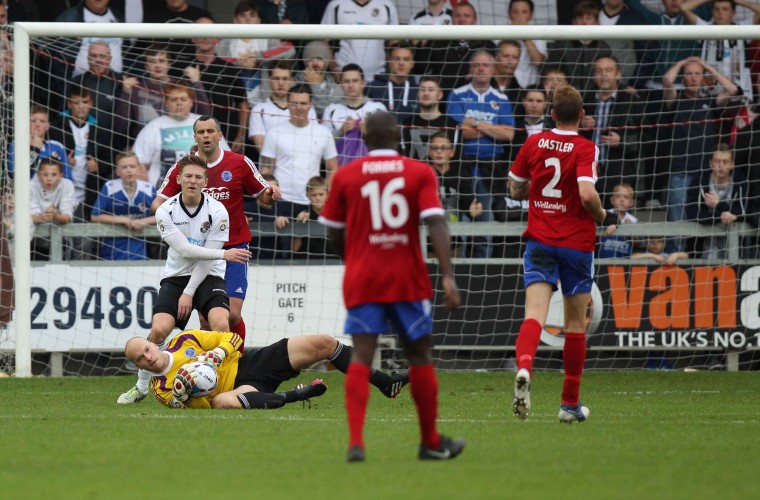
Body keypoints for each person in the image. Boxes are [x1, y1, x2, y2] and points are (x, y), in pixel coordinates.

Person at [319, 111, 465, 462]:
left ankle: (356, 443)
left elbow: (334, 232)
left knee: (362, 355)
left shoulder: (346, 175)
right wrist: (447, 274)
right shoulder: (419, 171)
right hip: (407, 278)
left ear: (365, 138)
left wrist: (352, 258)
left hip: (364, 277)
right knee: (418, 356)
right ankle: (430, 441)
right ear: (398, 137)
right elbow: (437, 223)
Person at [135, 116, 281, 386]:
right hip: (196, 251)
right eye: (200, 131)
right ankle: (208, 375)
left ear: (220, 134)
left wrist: (271, 194)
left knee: (232, 315)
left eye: (210, 131)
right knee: (204, 318)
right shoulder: (185, 168)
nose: (206, 135)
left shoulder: (239, 163)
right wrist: (178, 227)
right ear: (195, 138)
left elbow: (263, 197)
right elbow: (159, 204)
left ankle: (235, 366)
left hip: (233, 248)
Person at [507, 84, 612, 423]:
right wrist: (601, 215)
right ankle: (569, 405)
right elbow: (585, 193)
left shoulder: (534, 141)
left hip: (540, 240)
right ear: (582, 116)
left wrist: (532, 189)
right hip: (576, 245)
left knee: (534, 314)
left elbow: (514, 187)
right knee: (574, 324)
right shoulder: (586, 147)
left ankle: (524, 369)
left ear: (551, 113)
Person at [117, 154, 253, 404]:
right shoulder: (165, 211)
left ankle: (218, 385)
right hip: (176, 276)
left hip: (209, 274)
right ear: (178, 179)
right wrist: (225, 254)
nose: (192, 181)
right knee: (159, 330)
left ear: (206, 181)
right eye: (188, 176)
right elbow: (184, 250)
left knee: (221, 326)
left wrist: (190, 292)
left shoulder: (218, 210)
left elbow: (206, 259)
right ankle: (141, 386)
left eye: (198, 177)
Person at [125, 329, 409, 409]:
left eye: (147, 349)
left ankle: (386, 381)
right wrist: (187, 394)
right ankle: (296, 395)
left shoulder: (183, 340)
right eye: (140, 359)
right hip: (239, 391)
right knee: (222, 402)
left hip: (251, 364)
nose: (147, 358)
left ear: (154, 344)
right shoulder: (161, 390)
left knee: (323, 343)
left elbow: (231, 338)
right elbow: (201, 405)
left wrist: (217, 353)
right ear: (139, 366)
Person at [260, 84, 338, 224]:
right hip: (281, 201)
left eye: (303, 103)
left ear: (310, 105)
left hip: (312, 202)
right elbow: (266, 169)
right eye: (294, 103)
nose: (299, 107)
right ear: (288, 104)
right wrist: (268, 199)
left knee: (309, 245)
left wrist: (326, 195)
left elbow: (333, 168)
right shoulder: (274, 132)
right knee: (280, 245)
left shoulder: (323, 133)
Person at [132, 80, 230, 188]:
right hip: (163, 193)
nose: (179, 103)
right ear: (166, 103)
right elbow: (139, 162)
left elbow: (225, 157)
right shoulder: (153, 127)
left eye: (183, 99)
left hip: (204, 190)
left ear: (191, 102)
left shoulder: (206, 123)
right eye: (173, 99)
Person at [114, 43, 212, 141]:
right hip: (146, 144)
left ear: (168, 64)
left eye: (161, 61)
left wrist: (197, 83)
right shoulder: (136, 89)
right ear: (146, 66)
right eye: (152, 61)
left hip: (177, 141)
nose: (157, 65)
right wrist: (126, 94)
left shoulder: (181, 86)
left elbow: (204, 116)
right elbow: (120, 127)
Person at [681, 0, 760, 100]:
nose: (720, 12)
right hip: (710, 94)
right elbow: (684, 8)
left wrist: (739, 1)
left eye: (725, 9)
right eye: (717, 9)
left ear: (733, 13)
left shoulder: (743, 28)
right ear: (712, 12)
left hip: (738, 92)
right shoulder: (704, 28)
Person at [418, 2, 497, 94]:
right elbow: (419, 68)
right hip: (442, 101)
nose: (462, 19)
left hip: (476, 101)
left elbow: (498, 74)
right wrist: (421, 45)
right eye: (457, 16)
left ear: (474, 20)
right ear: (452, 19)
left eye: (466, 16)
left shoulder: (487, 46)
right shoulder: (438, 42)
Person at [90, 151, 156, 260]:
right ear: (117, 171)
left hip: (139, 254)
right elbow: (95, 216)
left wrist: (143, 222)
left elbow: (163, 215)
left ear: (139, 169)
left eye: (132, 166)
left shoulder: (148, 189)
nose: (129, 170)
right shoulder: (109, 187)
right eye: (124, 167)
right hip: (110, 253)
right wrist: (123, 220)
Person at [695, 144, 757, 259]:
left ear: (732, 164)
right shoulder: (700, 181)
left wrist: (719, 203)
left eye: (725, 161)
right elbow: (692, 213)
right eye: (717, 161)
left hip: (736, 246)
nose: (721, 166)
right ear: (710, 163)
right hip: (704, 247)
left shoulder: (740, 181)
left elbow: (744, 211)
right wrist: (720, 217)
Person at [322, 64, 387, 166]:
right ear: (340, 84)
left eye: (355, 81)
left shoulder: (378, 109)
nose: (351, 85)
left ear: (363, 83)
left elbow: (387, 143)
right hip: (342, 170)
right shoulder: (331, 109)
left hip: (372, 169)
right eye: (346, 81)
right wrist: (340, 132)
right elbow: (322, 144)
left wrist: (368, 134)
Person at [320, 0, 399, 83]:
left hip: (378, 76)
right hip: (346, 79)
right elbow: (323, 41)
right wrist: (334, 69)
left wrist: (391, 71)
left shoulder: (387, 5)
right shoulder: (336, 5)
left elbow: (394, 42)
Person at [249, 60, 317, 153]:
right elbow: (263, 147)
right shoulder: (258, 110)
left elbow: (313, 141)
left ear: (292, 80)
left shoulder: (306, 108)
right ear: (269, 80)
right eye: (276, 78)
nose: (281, 83)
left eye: (285, 78)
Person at [400, 76, 459, 162]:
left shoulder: (452, 125)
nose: (426, 93)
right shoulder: (406, 124)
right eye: (422, 89)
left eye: (431, 90)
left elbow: (457, 161)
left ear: (440, 95)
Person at [7, 104, 73, 180]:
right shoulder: (17, 144)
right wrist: (34, 150)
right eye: (33, 121)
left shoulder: (57, 147)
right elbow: (15, 174)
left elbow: (68, 179)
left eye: (42, 121)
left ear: (48, 126)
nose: (37, 124)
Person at [30, 158, 77, 261]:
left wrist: (55, 216)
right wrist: (44, 216)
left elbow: (67, 216)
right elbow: (33, 216)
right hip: (34, 242)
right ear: (38, 175)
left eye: (54, 175)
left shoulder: (67, 185)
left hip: (61, 240)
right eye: (45, 174)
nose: (49, 179)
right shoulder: (30, 186)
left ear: (61, 175)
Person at [366, 43, 419, 124]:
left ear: (412, 63)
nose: (401, 63)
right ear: (389, 61)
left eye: (406, 59)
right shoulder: (373, 87)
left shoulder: (418, 91)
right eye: (397, 59)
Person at [292, 176, 338, 260]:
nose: (318, 198)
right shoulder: (302, 214)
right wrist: (298, 225)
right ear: (307, 195)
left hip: (333, 262)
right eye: (314, 195)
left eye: (321, 194)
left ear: (328, 194)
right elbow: (295, 248)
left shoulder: (335, 213)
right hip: (307, 262)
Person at [294, 41, 343, 117]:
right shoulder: (295, 84)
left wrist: (315, 85)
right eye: (311, 59)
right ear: (305, 62)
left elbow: (322, 112)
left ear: (326, 61)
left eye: (319, 59)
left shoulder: (335, 88)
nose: (315, 63)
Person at [507, 0, 548, 88]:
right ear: (509, 14)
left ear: (531, 15)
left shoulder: (539, 34)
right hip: (507, 86)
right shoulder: (498, 33)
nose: (519, 17)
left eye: (524, 12)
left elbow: (538, 61)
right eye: (515, 12)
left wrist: (525, 36)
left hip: (530, 87)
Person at [597, 183, 640, 258]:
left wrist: (632, 229)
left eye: (626, 197)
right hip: (603, 259)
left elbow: (637, 243)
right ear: (612, 200)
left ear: (631, 202)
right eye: (618, 196)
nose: (622, 200)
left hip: (624, 260)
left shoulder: (633, 220)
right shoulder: (604, 215)